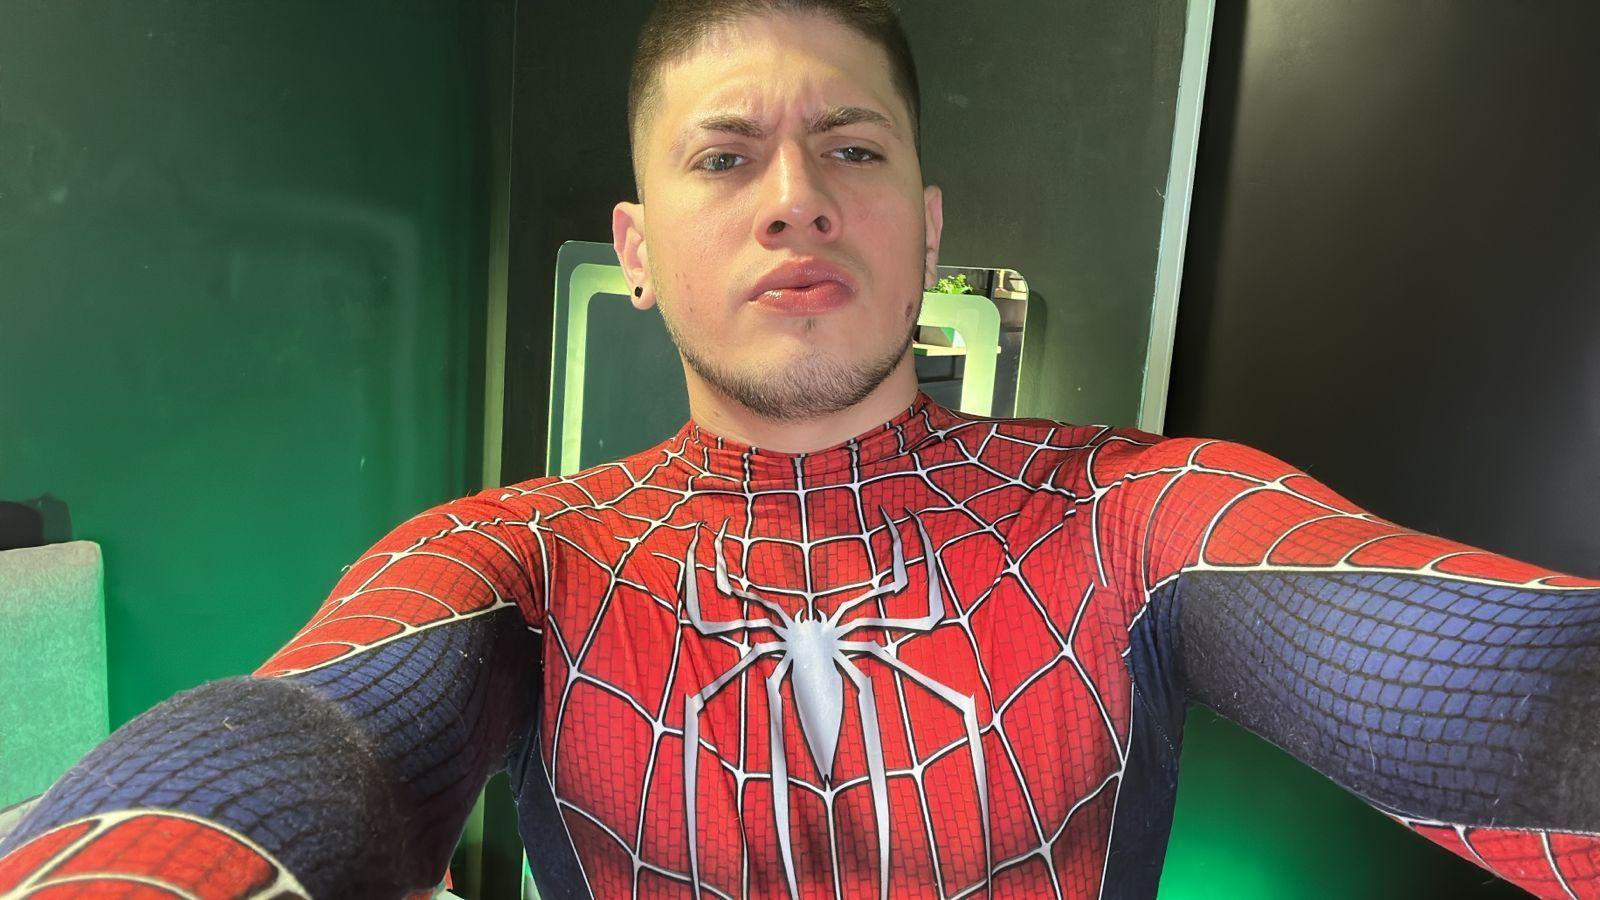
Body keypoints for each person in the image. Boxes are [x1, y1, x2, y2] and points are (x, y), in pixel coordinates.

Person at [2, 0, 1597, 897]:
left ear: (926, 224)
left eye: (851, 146)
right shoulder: (519, 556)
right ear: (635, 248)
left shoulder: (1139, 510)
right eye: (723, 157)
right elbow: (313, 741)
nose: (796, 198)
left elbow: (1505, 687)